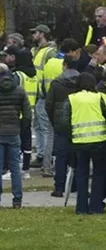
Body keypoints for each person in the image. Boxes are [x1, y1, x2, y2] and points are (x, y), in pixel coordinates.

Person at [0, 63, 32, 209]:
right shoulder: (19, 91)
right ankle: (17, 200)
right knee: (15, 168)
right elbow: (28, 115)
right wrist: (20, 127)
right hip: (14, 132)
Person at [66, 72, 106, 214]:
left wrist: (70, 137)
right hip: (99, 141)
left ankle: (81, 207)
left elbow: (64, 121)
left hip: (79, 141)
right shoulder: (101, 97)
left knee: (81, 173)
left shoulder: (71, 99)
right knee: (99, 174)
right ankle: (96, 206)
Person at [45, 57, 80, 198]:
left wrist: (54, 120)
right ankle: (75, 185)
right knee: (77, 156)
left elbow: (49, 104)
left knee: (60, 157)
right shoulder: (82, 82)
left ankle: (59, 187)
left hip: (60, 123)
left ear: (64, 65)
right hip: (77, 122)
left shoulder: (57, 83)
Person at [6, 47, 37, 179]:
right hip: (29, 113)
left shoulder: (17, 75)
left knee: (15, 143)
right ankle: (26, 169)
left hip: (16, 113)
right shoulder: (34, 76)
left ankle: (14, 169)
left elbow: (11, 92)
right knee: (27, 142)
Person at [30, 25, 57, 172]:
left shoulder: (50, 52)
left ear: (42, 34)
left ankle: (47, 157)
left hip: (43, 94)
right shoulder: (35, 50)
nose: (33, 35)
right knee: (38, 126)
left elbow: (52, 72)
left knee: (44, 127)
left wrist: (46, 92)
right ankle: (41, 155)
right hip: (36, 93)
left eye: (35, 33)